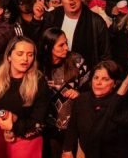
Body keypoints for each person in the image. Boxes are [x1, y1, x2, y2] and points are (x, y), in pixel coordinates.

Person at [0, 36, 51, 158]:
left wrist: (13, 127)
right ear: (9, 56)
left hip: (26, 138)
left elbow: (39, 122)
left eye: (30, 55)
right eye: (20, 54)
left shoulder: (39, 81)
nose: (25, 59)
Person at [32, 0, 110, 71]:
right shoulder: (52, 16)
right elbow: (36, 43)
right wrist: (37, 18)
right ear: (61, 1)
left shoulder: (96, 21)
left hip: (86, 75)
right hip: (53, 72)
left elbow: (105, 56)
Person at [38, 28, 88, 158]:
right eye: (61, 45)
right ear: (47, 47)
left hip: (73, 126)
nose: (66, 47)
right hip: (47, 126)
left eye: (66, 43)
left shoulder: (77, 61)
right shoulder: (38, 66)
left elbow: (91, 89)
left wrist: (79, 93)